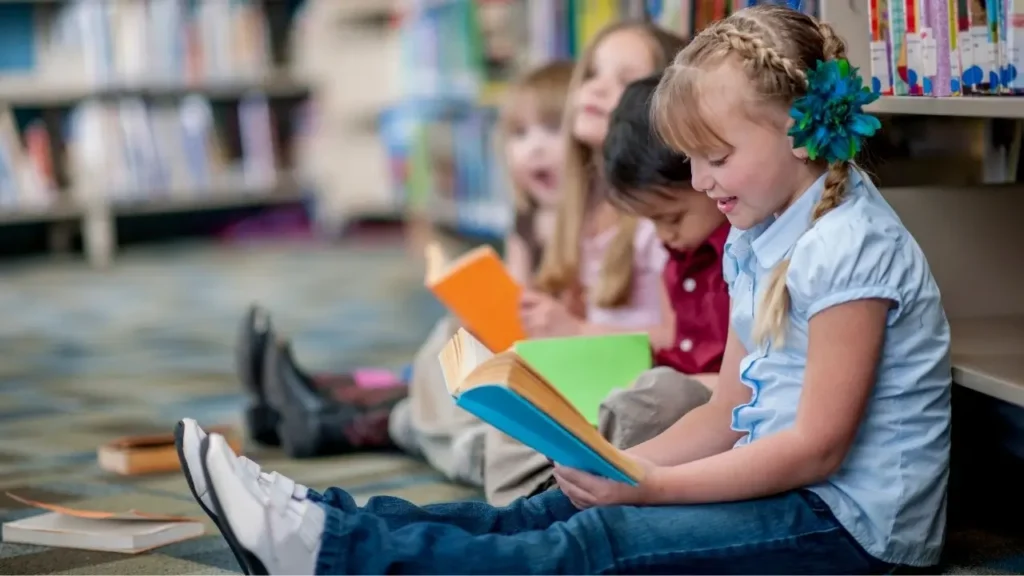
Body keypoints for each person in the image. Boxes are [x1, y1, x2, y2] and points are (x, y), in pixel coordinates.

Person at [179, 5, 951, 573]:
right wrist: (623, 465)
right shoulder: (755, 232)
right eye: (689, 160)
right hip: (785, 487)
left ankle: (327, 555)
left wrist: (651, 488)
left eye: (714, 156)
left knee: (599, 543)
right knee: (555, 506)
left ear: (797, 131)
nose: (699, 182)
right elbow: (726, 409)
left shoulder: (850, 246)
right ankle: (322, 521)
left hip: (850, 530)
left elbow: (817, 449)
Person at [233, 60, 574, 459]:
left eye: (552, 130)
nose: (534, 147)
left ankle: (326, 411)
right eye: (520, 134)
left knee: (434, 387)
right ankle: (313, 395)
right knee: (443, 354)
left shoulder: (592, 228)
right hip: (520, 354)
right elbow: (515, 302)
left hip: (550, 367)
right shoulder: (527, 221)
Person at [483, 71, 731, 505]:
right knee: (514, 384)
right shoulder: (680, 248)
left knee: (649, 396)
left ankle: (547, 484)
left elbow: (728, 377)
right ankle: (537, 476)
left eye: (670, 219)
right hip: (641, 377)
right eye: (591, 73)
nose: (663, 235)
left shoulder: (732, 249)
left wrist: (578, 332)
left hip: (677, 394)